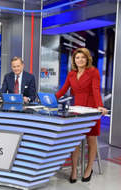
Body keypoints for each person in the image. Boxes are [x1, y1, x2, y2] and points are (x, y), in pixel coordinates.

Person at [55, 48, 108, 183]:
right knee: (75, 141)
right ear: (74, 60)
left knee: (91, 141)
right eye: (77, 58)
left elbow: (96, 90)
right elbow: (63, 90)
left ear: (87, 59)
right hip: (77, 110)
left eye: (83, 57)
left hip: (91, 109)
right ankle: (74, 169)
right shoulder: (71, 74)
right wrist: (49, 99)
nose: (80, 60)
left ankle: (88, 168)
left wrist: (100, 106)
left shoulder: (93, 72)